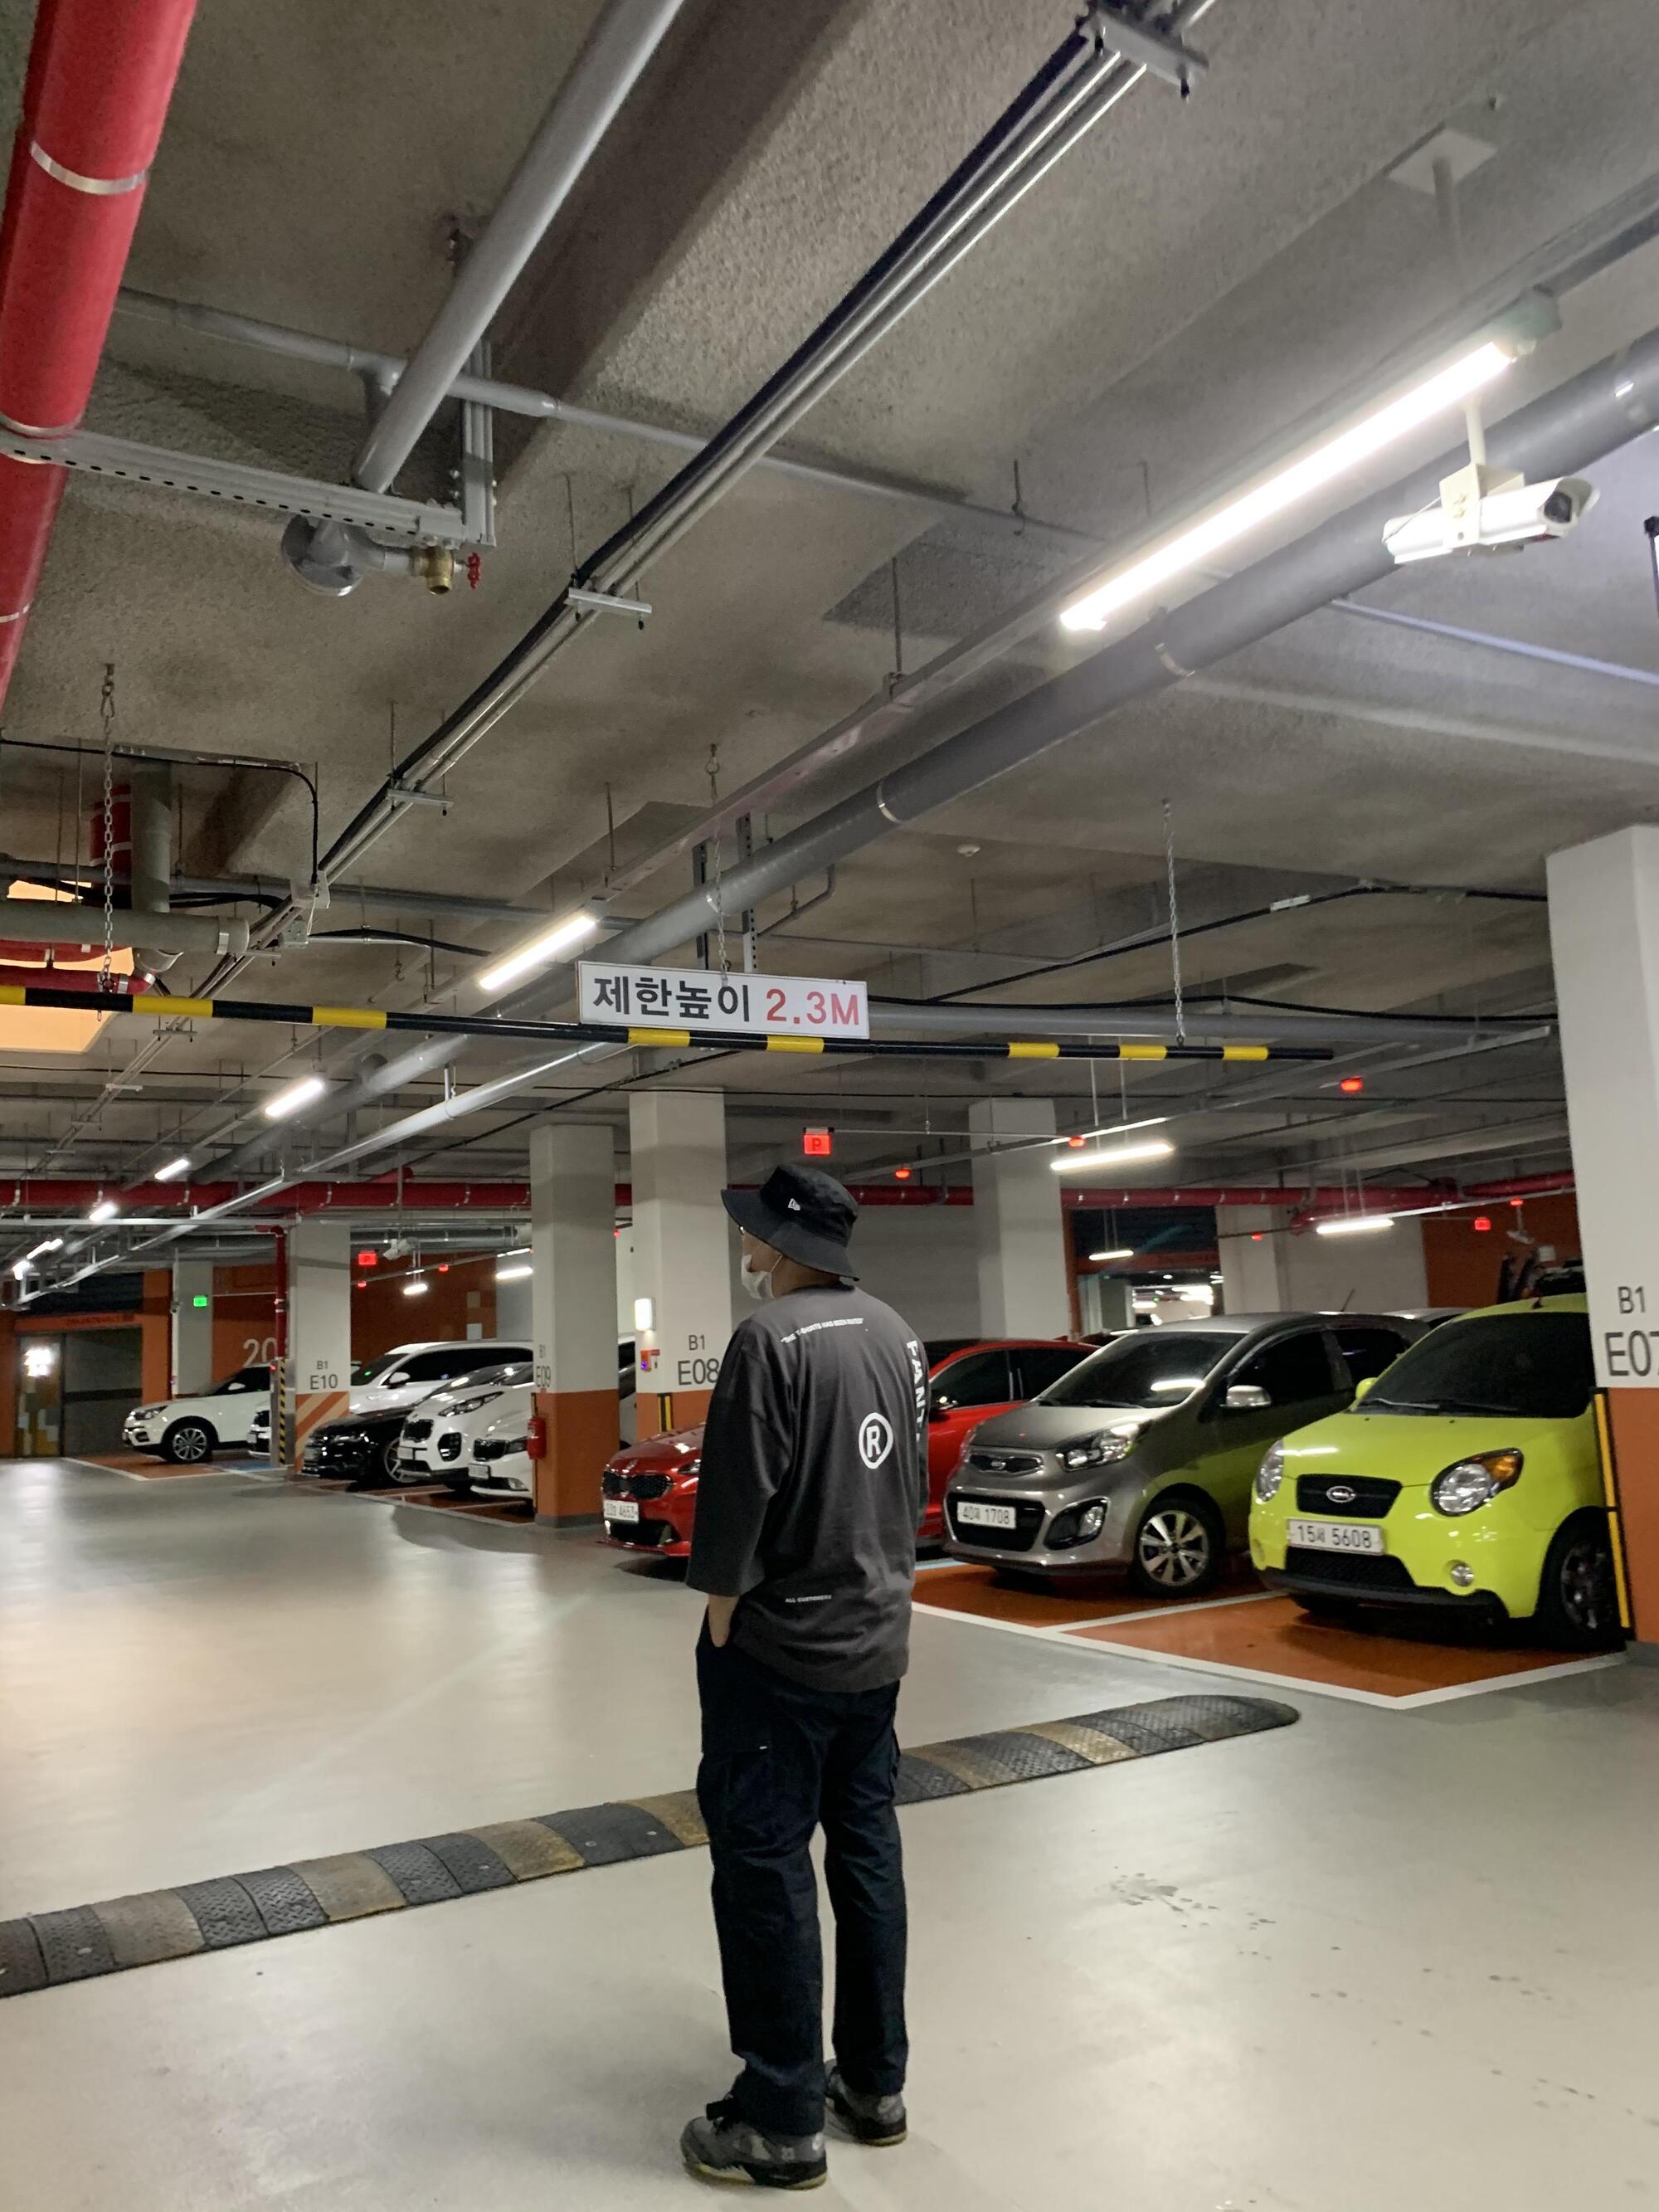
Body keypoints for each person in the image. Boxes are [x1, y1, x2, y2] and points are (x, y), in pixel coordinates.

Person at [680, 1162, 927, 2192]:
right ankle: (872, 2082)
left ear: (780, 1245)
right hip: (876, 1643)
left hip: (779, 1652)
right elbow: (906, 1480)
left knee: (764, 1864)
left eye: (753, 1232)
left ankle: (780, 2115)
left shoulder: (768, 1340)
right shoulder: (897, 1333)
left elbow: (738, 1495)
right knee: (865, 1852)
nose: (745, 1246)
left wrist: (721, 1612)